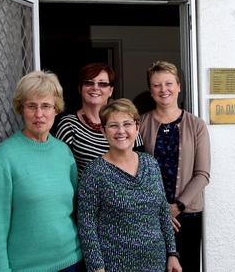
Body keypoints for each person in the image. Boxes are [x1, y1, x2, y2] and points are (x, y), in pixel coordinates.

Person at [0, 71, 83, 272]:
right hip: (26, 267)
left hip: (72, 261)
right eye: (31, 106)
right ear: (21, 109)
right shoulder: (4, 157)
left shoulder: (64, 152)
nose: (39, 114)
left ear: (56, 109)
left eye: (46, 106)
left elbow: (74, 208)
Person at [77, 99, 182, 272]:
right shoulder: (94, 172)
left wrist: (172, 253)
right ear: (103, 131)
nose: (121, 131)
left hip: (155, 263)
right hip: (114, 265)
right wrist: (97, 268)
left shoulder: (151, 164)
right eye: (113, 126)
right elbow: (87, 225)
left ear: (137, 128)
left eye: (127, 124)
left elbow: (163, 211)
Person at [140, 60, 210, 272]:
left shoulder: (196, 125)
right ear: (151, 90)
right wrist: (160, 211)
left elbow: (202, 174)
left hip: (187, 216)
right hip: (150, 215)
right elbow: (135, 172)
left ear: (179, 86)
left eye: (169, 83)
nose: (164, 90)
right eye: (157, 85)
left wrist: (176, 207)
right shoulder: (139, 123)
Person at [55, 62, 143, 175]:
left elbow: (142, 166)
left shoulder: (127, 124)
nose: (95, 87)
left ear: (111, 90)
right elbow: (61, 171)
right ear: (80, 88)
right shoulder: (68, 125)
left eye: (102, 84)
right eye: (89, 83)